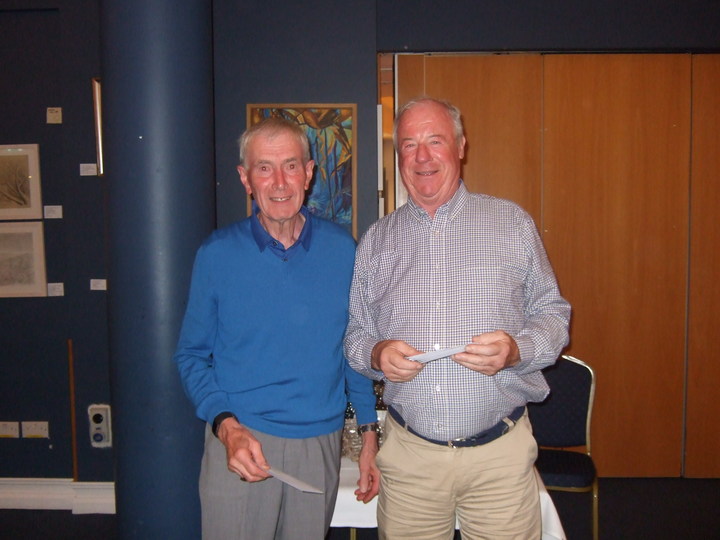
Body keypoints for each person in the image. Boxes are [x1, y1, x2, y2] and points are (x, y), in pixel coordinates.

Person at [344, 97, 571, 540]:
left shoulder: (511, 223)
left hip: (499, 459)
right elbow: (355, 334)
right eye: (409, 145)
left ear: (461, 146)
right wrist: (376, 353)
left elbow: (553, 314)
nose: (422, 157)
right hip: (410, 460)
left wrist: (517, 350)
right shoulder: (376, 241)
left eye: (435, 141)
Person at [174, 117, 380, 540]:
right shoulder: (217, 254)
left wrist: (368, 434)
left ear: (309, 173)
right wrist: (226, 426)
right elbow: (191, 355)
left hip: (319, 443)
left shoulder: (343, 250)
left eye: (291, 166)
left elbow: (352, 347)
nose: (280, 182)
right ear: (245, 178)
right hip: (241, 439)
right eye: (264, 168)